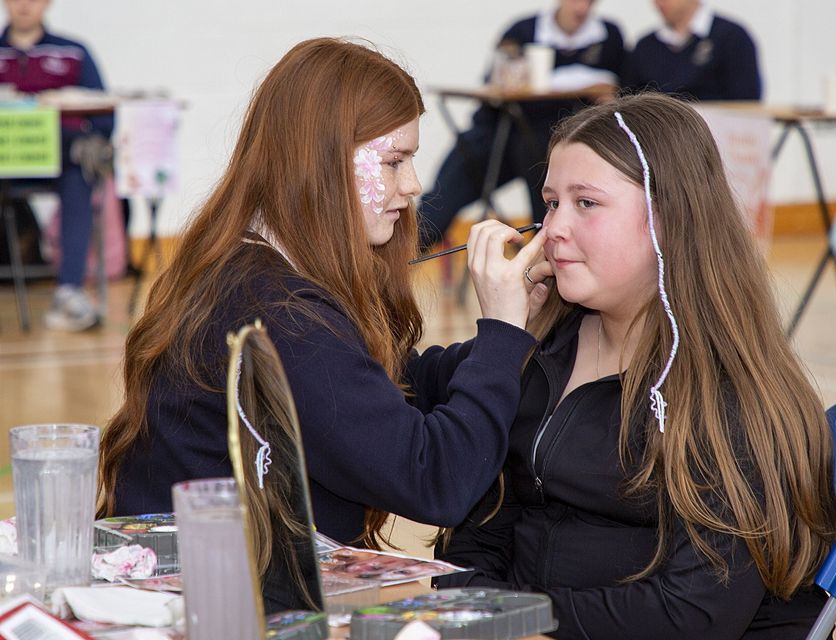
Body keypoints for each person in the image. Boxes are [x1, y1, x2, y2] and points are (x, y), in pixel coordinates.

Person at [97, 38, 547, 566]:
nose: (414, 185)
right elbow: (436, 481)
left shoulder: (253, 264)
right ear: (324, 163)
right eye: (394, 161)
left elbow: (392, 387)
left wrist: (519, 331)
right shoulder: (279, 310)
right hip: (206, 599)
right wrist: (500, 336)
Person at [435, 93, 836, 639]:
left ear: (669, 219)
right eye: (551, 202)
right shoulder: (544, 347)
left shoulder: (733, 398)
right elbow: (482, 529)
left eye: (587, 203)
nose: (553, 229)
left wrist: (513, 616)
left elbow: (694, 614)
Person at [417, 0, 625, 249]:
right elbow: (496, 81)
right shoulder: (522, 30)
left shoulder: (609, 37)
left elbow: (620, 92)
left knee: (549, 171)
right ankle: (403, 252)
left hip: (555, 142)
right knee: (444, 193)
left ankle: (547, 262)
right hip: (499, 133)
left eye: (589, 2)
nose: (581, 8)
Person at [0, 0, 114, 331]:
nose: (24, 5)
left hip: (61, 160)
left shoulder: (74, 52)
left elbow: (105, 115)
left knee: (81, 171)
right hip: (5, 159)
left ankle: (69, 292)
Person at [621, 0, 762, 101]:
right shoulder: (645, 46)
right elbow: (629, 98)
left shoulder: (732, 37)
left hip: (715, 135)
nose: (658, 3)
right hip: (658, 136)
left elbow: (746, 100)